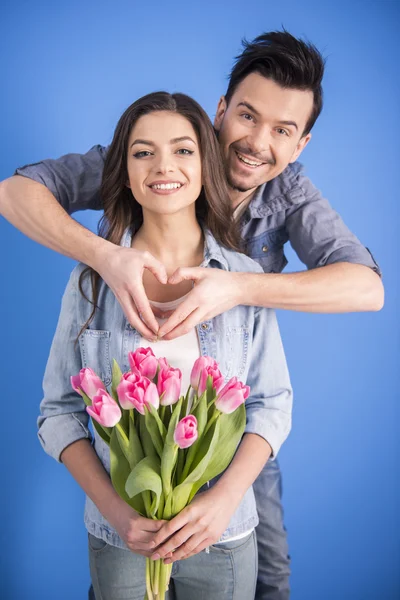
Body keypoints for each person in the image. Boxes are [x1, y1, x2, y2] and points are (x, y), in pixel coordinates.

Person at [0, 30, 384, 600]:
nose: (257, 142)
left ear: (300, 144)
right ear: (221, 110)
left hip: (229, 443)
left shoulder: (287, 201)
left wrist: (238, 288)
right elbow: (15, 192)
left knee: (269, 575)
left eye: (282, 130)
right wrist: (105, 258)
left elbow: (365, 291)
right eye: (247, 116)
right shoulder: (148, 155)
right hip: (123, 489)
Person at [38, 91, 292, 600]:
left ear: (205, 165)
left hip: (222, 535)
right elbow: (58, 413)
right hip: (120, 539)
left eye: (182, 149)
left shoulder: (244, 279)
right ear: (126, 173)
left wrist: (223, 501)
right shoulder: (90, 281)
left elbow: (272, 405)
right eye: (142, 152)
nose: (162, 166)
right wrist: (119, 513)